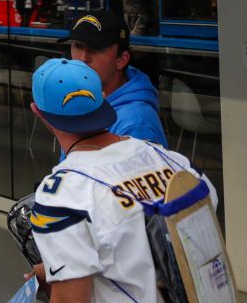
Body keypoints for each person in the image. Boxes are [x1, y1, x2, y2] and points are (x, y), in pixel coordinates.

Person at [26, 58, 216, 302]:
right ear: (103, 97)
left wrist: (58, 278)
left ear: (37, 111)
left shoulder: (62, 197)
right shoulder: (174, 162)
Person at [63, 10, 166, 146]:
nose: (83, 58)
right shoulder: (83, 99)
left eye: (95, 49)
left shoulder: (136, 124)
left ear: (121, 60)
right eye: (77, 46)